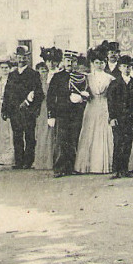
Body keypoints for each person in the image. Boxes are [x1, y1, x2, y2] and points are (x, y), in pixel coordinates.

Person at [46, 50, 90, 178]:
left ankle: (70, 167)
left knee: (73, 139)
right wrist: (51, 115)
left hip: (76, 113)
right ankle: (59, 168)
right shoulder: (57, 77)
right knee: (61, 140)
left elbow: (86, 94)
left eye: (73, 61)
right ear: (63, 62)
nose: (70, 63)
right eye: (67, 60)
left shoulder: (81, 77)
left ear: (76, 62)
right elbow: (50, 97)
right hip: (61, 113)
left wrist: (82, 99)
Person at [74, 47, 116, 174]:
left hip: (104, 106)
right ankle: (87, 165)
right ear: (92, 63)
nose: (99, 65)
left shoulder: (110, 78)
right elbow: (82, 90)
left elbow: (112, 96)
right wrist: (83, 95)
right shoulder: (87, 77)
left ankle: (102, 165)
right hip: (91, 107)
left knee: (104, 132)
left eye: (102, 62)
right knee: (89, 132)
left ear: (105, 63)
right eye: (97, 62)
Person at [3, 46, 44, 170]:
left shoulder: (33, 74)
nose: (21, 59)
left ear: (28, 57)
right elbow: (7, 93)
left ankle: (28, 161)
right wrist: (5, 110)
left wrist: (30, 104)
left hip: (28, 110)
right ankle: (18, 161)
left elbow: (39, 93)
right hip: (14, 110)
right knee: (17, 136)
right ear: (16, 57)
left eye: (24, 56)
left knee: (29, 136)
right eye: (19, 56)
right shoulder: (12, 75)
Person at [106, 55, 133, 177]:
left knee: (128, 143)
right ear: (120, 68)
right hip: (118, 118)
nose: (127, 69)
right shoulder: (114, 83)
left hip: (131, 117)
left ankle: (124, 169)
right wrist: (112, 117)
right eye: (124, 66)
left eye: (129, 67)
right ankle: (116, 170)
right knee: (118, 142)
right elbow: (110, 102)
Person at [32, 59, 55, 171]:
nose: (44, 73)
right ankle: (43, 160)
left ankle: (52, 159)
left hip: (52, 106)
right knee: (43, 132)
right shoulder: (39, 81)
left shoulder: (54, 78)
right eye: (42, 70)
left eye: (45, 70)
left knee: (52, 132)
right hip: (43, 108)